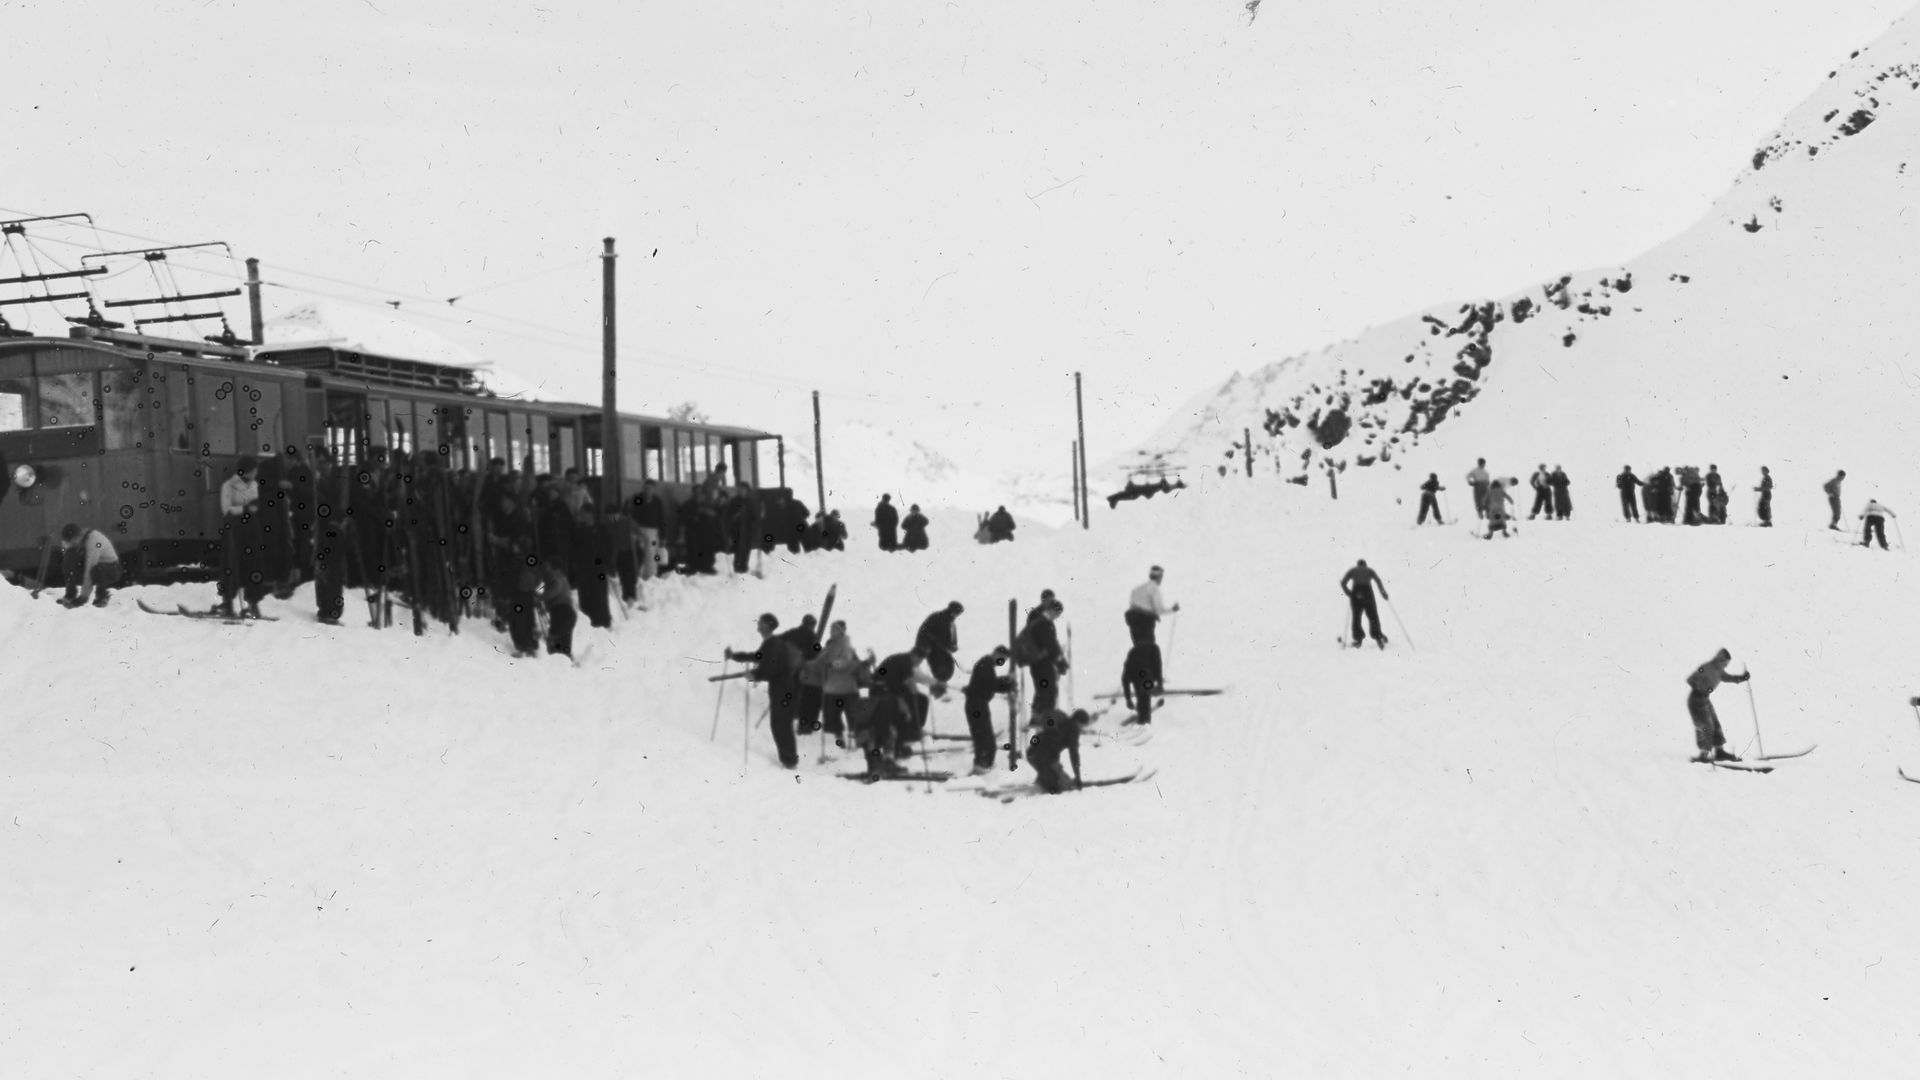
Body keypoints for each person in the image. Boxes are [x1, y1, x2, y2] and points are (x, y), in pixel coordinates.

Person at [726, 613, 803, 769]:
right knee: (780, 724)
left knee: (780, 725)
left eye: (761, 622)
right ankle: (789, 760)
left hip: (783, 689)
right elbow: (757, 657)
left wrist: (754, 675)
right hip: (782, 689)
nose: (758, 624)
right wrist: (734, 656)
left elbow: (771, 668)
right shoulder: (770, 644)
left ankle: (790, 761)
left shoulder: (773, 644)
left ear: (767, 625)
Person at [215, 456, 267, 619]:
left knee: (254, 563)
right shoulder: (229, 486)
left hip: (251, 527)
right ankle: (227, 602)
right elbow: (226, 509)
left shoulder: (254, 485)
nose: (256, 473)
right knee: (231, 562)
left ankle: (253, 602)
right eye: (254, 470)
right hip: (235, 527)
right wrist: (245, 509)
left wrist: (255, 507)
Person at [1686, 648, 1750, 763]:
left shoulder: (1719, 670)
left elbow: (1727, 677)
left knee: (1715, 723)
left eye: (1727, 663)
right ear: (1720, 660)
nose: (1726, 665)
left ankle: (1719, 752)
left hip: (1705, 699)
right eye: (1725, 662)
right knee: (1706, 726)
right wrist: (1701, 685)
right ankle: (1704, 755)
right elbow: (1691, 679)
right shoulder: (1705, 667)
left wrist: (1741, 678)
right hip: (1696, 699)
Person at [961, 646, 1015, 775]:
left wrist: (1006, 682)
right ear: (996, 653)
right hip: (977, 705)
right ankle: (982, 768)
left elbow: (989, 683)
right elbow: (991, 684)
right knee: (985, 739)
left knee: (983, 738)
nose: (1003, 662)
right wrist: (1008, 683)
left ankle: (982, 766)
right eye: (1003, 659)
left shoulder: (986, 664)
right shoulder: (985, 665)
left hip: (977, 704)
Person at [814, 620, 864, 749]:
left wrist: (831, 664)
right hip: (833, 687)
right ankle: (841, 740)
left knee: (850, 715)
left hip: (845, 687)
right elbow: (820, 661)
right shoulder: (831, 645)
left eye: (834, 630)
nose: (831, 632)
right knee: (834, 716)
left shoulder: (845, 645)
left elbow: (845, 662)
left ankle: (853, 741)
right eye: (831, 629)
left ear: (841, 631)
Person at [1017, 597, 1068, 718]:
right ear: (1051, 610)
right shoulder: (1043, 624)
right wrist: (1060, 662)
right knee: (1048, 690)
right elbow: (1050, 645)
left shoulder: (1040, 622)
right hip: (1041, 663)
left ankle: (1038, 715)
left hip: (1038, 662)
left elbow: (1051, 645)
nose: (1057, 616)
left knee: (1043, 689)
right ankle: (1043, 717)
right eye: (1057, 613)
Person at [1026, 707, 1093, 794]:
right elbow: (1074, 754)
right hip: (1043, 757)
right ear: (1078, 722)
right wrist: (1078, 776)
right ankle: (1042, 784)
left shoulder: (1064, 722)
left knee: (1056, 777)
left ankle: (1044, 781)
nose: (1082, 728)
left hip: (1033, 752)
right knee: (1061, 786)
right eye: (1082, 725)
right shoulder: (1073, 729)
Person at [56, 523, 121, 608]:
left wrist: (83, 597)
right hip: (92, 566)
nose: (72, 545)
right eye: (68, 543)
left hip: (111, 569)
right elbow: (68, 563)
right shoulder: (72, 542)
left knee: (97, 570)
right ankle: (70, 594)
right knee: (69, 557)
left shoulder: (94, 540)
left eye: (73, 542)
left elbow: (89, 567)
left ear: (78, 537)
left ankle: (101, 596)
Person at [779, 614, 825, 733]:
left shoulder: (792, 632)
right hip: (802, 669)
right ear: (812, 625)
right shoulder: (812, 636)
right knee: (802, 691)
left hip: (788, 667)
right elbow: (817, 653)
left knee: (789, 690)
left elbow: (778, 640)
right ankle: (795, 714)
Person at [1339, 558, 1389, 648]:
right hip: (1367, 593)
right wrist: (1383, 593)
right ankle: (1378, 636)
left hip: (1356, 593)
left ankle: (1358, 639)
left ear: (1358, 565)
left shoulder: (1353, 570)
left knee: (1357, 616)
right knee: (1372, 615)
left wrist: (1348, 593)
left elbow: (1343, 583)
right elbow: (1378, 581)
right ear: (1365, 565)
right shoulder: (1369, 570)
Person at [1126, 565, 1180, 646]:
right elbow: (1159, 610)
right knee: (1148, 649)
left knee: (1138, 648)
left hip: (1132, 622)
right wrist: (1173, 609)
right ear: (1159, 577)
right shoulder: (1154, 589)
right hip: (1145, 623)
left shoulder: (1136, 589)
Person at [914, 601, 964, 683]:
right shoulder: (939, 618)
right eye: (957, 613)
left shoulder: (950, 622)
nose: (957, 615)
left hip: (940, 649)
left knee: (947, 666)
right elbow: (928, 634)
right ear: (953, 611)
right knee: (941, 668)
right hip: (931, 648)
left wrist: (953, 645)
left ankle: (939, 683)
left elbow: (951, 639)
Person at [1121, 641, 1163, 725]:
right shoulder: (1130, 671)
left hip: (1144, 672)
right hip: (1140, 672)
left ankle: (1144, 715)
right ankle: (1143, 715)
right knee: (1143, 692)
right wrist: (1128, 699)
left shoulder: (1152, 649)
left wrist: (1159, 683)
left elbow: (1157, 665)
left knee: (1143, 692)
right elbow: (1125, 680)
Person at [542, 564, 578, 658]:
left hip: (560, 611)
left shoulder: (553, 575)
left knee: (555, 636)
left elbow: (556, 587)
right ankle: (566, 660)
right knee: (565, 640)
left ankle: (557, 660)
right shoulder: (562, 576)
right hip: (569, 611)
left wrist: (543, 598)